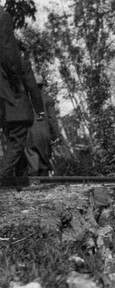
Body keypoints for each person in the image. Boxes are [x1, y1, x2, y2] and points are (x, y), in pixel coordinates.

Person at [0, 6, 44, 184]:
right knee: (17, 144)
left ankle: (22, 180)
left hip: (5, 110)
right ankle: (2, 175)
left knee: (15, 144)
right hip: (18, 108)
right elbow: (33, 89)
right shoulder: (20, 65)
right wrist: (39, 110)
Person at [25, 77, 61, 176]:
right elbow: (52, 119)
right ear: (42, 86)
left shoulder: (24, 100)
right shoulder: (48, 99)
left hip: (28, 134)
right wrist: (56, 135)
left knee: (32, 161)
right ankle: (44, 184)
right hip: (44, 134)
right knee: (44, 162)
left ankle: (34, 184)